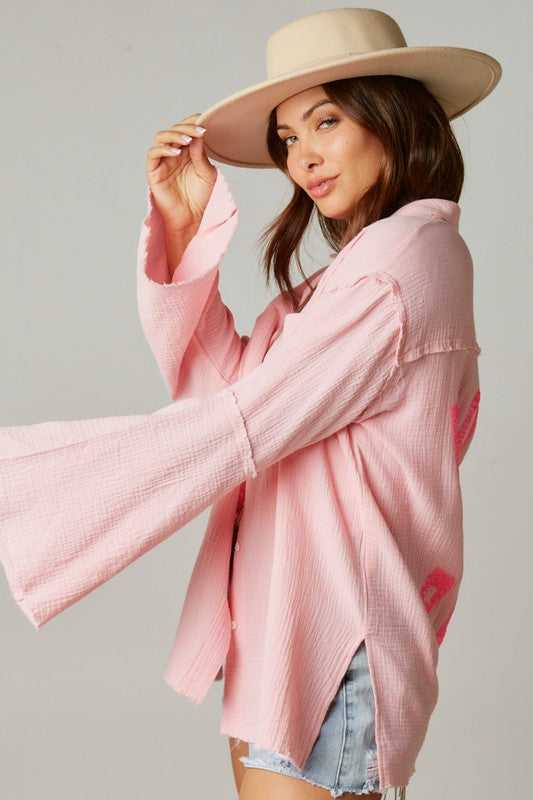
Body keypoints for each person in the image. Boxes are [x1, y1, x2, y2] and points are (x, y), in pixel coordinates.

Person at [0, 8, 501, 800]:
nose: (303, 158)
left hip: (333, 630)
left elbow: (245, 423)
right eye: (288, 138)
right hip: (286, 616)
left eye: (326, 121)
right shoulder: (350, 276)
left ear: (393, 114)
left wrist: (25, 483)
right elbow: (228, 392)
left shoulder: (400, 263)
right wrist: (181, 228)